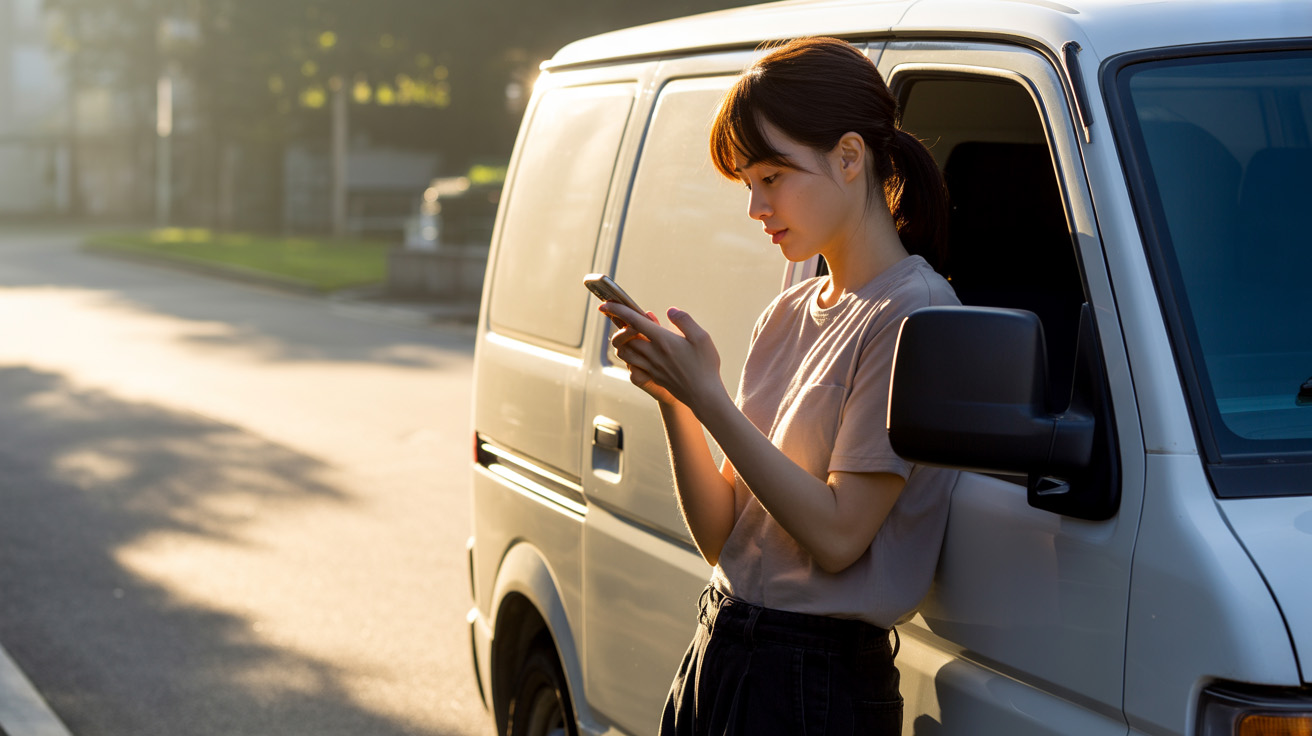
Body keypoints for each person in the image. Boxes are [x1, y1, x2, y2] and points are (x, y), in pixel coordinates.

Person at [598, 36, 961, 736]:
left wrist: (709, 397)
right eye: (748, 184)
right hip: (721, 640)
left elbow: (838, 535)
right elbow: (721, 537)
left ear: (850, 158)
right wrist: (678, 402)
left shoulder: (915, 313)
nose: (756, 207)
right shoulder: (787, 312)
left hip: (815, 679)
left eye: (773, 176)